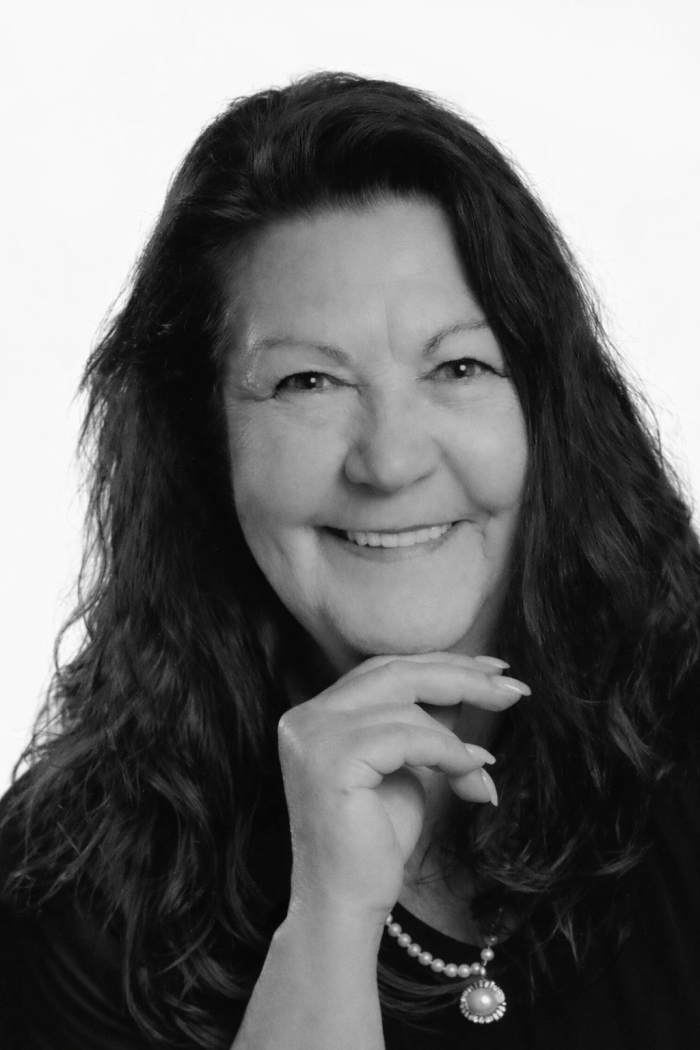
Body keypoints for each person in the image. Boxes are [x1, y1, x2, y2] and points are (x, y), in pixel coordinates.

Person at [1, 70, 699, 1050]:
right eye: (307, 380)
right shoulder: (71, 885)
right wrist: (327, 925)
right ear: (205, 444)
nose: (391, 459)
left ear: (550, 411)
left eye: (458, 367)